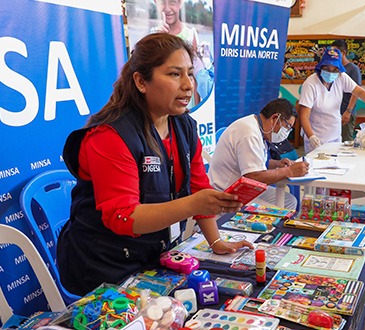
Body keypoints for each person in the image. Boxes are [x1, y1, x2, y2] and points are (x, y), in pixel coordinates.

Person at [57, 33, 251, 296]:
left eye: (190, 74)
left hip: (151, 258)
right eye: (174, 74)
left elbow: (197, 186)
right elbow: (122, 217)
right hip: (102, 268)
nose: (188, 86)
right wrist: (194, 204)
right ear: (140, 81)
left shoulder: (183, 125)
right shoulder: (109, 136)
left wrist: (216, 242)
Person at [208, 98, 309, 210]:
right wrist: (289, 171)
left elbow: (251, 163)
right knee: (279, 210)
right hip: (228, 193)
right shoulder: (249, 133)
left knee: (289, 201)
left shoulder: (257, 127)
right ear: (275, 118)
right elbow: (252, 177)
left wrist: (275, 164)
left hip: (241, 188)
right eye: (287, 127)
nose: (287, 132)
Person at [298, 46, 365, 153]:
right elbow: (304, 115)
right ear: (321, 67)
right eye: (327, 69)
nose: (331, 72)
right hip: (316, 137)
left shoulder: (341, 77)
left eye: (335, 70)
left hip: (335, 134)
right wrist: (311, 136)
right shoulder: (311, 84)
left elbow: (359, 91)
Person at [154, 0, 213, 107]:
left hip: (186, 105)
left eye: (172, 2)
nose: (167, 8)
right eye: (162, 2)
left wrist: (196, 108)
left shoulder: (190, 34)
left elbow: (194, 77)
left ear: (180, 3)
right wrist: (158, 39)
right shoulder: (152, 36)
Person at [331, 40, 362, 143]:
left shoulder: (353, 69)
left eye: (335, 52)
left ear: (343, 52)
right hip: (333, 112)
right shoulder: (333, 68)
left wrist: (348, 111)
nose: (333, 54)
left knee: (345, 142)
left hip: (346, 111)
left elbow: (356, 92)